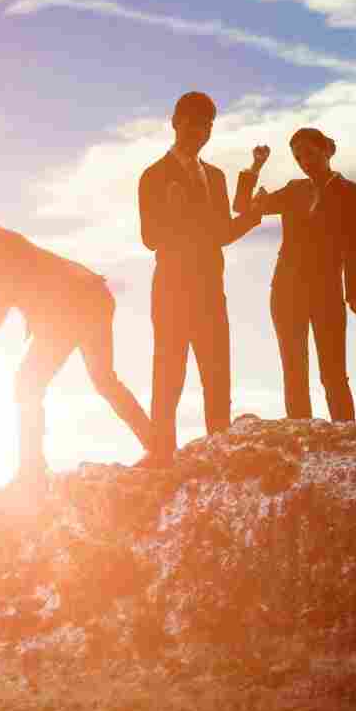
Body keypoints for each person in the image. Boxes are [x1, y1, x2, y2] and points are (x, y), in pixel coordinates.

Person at [0, 219, 163, 486]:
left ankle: (32, 470)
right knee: (104, 380)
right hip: (91, 299)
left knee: (27, 384)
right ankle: (158, 447)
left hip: (70, 307)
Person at [137, 91, 262, 460]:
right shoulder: (153, 176)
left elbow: (221, 233)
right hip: (172, 291)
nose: (201, 133)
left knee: (217, 377)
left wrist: (252, 217)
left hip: (210, 290)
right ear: (176, 124)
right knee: (168, 377)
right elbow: (149, 238)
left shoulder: (218, 177)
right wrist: (171, 211)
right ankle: (162, 458)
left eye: (207, 126)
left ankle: (218, 456)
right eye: (194, 124)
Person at [237, 128, 356, 421]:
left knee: (334, 376)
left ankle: (345, 438)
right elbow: (242, 208)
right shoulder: (293, 189)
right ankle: (303, 444)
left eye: (309, 153)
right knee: (294, 374)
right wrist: (255, 168)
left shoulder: (352, 192)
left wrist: (355, 296)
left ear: (326, 150)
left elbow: (354, 249)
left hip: (328, 293)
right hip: (286, 291)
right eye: (298, 157)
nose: (304, 161)